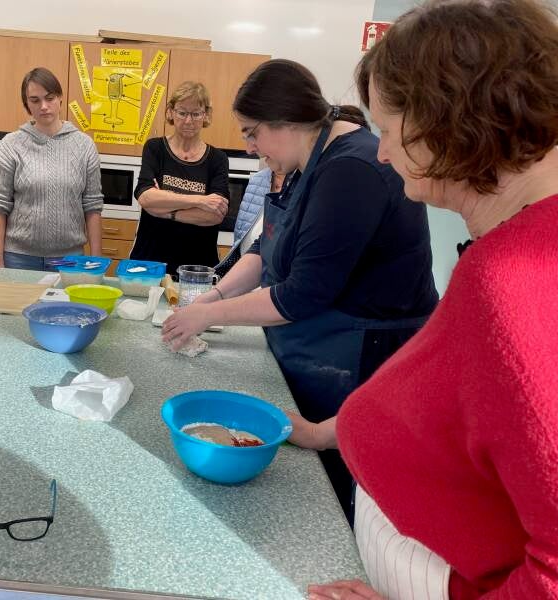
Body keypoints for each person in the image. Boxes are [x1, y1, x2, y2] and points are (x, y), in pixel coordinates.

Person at [290, 2, 558, 599]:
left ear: (447, 121)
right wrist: (325, 432)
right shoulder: (502, 250)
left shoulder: (519, 280)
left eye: (387, 129)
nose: (382, 153)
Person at [162, 59, 438, 516]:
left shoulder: (351, 171)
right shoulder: (305, 162)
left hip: (358, 357)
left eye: (252, 133)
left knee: (331, 495)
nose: (250, 147)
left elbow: (301, 294)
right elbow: (265, 250)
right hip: (314, 349)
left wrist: (207, 315)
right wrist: (213, 295)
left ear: (286, 121)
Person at [0, 67, 102, 271]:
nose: (44, 106)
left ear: (60, 98)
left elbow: (92, 206)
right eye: (35, 100)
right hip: (19, 258)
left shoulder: (84, 146)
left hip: (70, 258)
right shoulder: (11, 144)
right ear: (27, 104)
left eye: (50, 98)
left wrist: (96, 260)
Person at [129, 81, 230, 276]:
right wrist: (200, 201)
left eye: (196, 114)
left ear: (206, 115)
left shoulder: (217, 159)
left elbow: (215, 214)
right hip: (150, 261)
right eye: (182, 112)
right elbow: (146, 198)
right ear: (171, 112)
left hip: (197, 267)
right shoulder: (155, 148)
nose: (188, 121)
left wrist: (165, 210)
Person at [215, 167, 285, 277]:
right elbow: (240, 238)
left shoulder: (304, 185)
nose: (250, 151)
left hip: (272, 278)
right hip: (245, 272)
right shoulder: (258, 179)